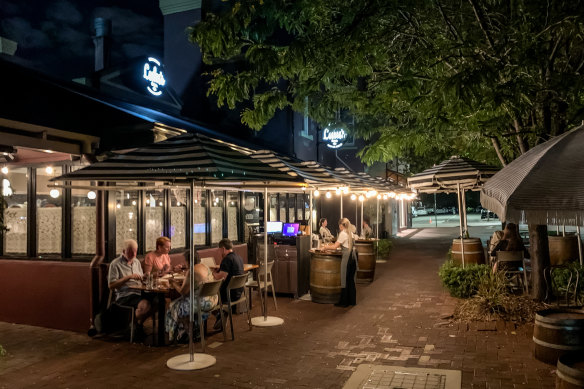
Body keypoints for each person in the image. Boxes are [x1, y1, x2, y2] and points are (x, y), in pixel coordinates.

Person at [165, 251, 217, 344]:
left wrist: (173, 282)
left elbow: (183, 292)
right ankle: (189, 330)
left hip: (201, 303)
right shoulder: (205, 267)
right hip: (213, 300)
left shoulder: (192, 271)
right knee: (178, 303)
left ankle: (185, 333)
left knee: (172, 306)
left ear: (188, 261)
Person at [108, 239, 151, 338]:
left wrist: (144, 277)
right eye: (131, 251)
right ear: (123, 251)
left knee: (159, 301)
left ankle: (135, 325)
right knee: (146, 306)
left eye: (135, 251)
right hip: (125, 295)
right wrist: (128, 277)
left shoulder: (136, 262)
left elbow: (140, 279)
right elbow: (111, 285)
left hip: (138, 292)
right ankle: (130, 326)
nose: (134, 254)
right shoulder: (115, 264)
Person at [212, 238, 244, 330]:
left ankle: (220, 313)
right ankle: (221, 313)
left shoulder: (227, 259)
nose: (218, 252)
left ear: (223, 248)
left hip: (228, 294)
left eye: (219, 250)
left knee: (205, 297)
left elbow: (221, 277)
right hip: (238, 292)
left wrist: (212, 273)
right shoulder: (239, 257)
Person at [324, 218, 357, 307]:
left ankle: (344, 302)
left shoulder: (343, 233)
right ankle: (352, 301)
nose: (339, 227)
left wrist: (325, 247)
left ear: (341, 225)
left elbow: (335, 246)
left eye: (339, 225)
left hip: (347, 258)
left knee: (344, 279)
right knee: (350, 280)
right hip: (353, 258)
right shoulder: (351, 233)